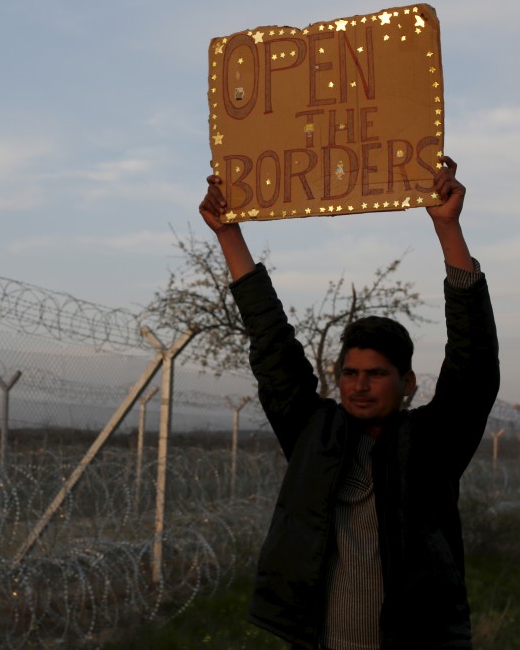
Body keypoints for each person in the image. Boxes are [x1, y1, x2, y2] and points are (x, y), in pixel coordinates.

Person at [199, 156, 500, 649]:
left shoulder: (431, 444)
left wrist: (449, 230)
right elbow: (272, 343)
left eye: (377, 375)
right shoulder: (313, 434)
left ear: (408, 384)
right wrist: (228, 235)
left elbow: (475, 366)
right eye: (350, 373)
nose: (360, 385)